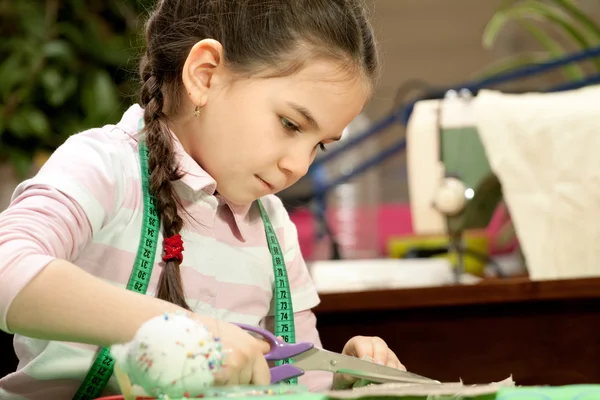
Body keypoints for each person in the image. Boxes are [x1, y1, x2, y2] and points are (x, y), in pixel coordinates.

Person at [0, 1, 404, 399]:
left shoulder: (273, 226)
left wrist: (344, 383)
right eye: (290, 124)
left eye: (320, 146)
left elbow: (294, 382)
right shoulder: (105, 167)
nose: (298, 165)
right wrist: (183, 330)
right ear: (205, 75)